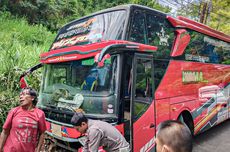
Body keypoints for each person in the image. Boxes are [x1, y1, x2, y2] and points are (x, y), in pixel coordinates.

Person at [0, 87, 46, 152]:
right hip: (10, 149)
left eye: (24, 94)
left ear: (32, 98)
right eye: (20, 95)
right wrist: (0, 148)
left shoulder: (40, 114)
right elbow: (5, 132)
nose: (21, 97)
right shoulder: (14, 111)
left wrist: (38, 149)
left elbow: (42, 133)